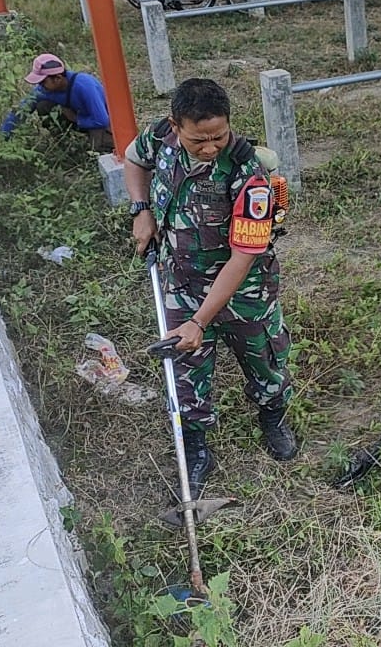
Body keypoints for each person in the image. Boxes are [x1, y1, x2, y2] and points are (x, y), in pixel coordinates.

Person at [123, 77, 299, 500]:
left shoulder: (248, 175)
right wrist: (141, 208)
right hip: (180, 279)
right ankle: (197, 446)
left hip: (244, 290)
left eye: (218, 136)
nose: (209, 147)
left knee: (264, 360)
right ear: (175, 125)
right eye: (199, 139)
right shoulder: (159, 136)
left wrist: (201, 319)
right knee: (184, 369)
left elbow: (243, 257)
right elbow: (133, 160)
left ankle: (272, 416)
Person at [0, 53, 114, 153]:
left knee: (100, 150)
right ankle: (67, 146)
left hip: (102, 123)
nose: (40, 86)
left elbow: (102, 120)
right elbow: (20, 112)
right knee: (43, 106)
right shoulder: (44, 91)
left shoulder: (85, 85)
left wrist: (76, 119)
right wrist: (2, 138)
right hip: (80, 119)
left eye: (43, 82)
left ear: (58, 78)